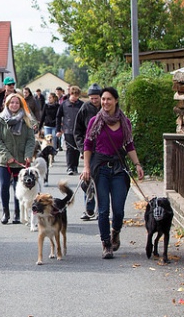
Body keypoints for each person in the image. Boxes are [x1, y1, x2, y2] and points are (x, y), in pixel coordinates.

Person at [80, 86, 144, 259]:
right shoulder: (95, 121)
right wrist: (86, 167)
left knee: (119, 210)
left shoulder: (125, 122)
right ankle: (106, 244)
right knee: (103, 210)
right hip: (100, 168)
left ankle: (115, 231)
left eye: (109, 99)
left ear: (116, 101)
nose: (105, 102)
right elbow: (87, 145)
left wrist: (137, 164)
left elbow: (129, 144)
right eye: (103, 99)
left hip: (118, 169)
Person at [0, 92, 37, 225]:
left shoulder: (26, 119)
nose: (14, 105)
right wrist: (7, 156)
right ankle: (5, 212)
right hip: (5, 160)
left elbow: (31, 139)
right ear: (7, 104)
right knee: (4, 186)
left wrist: (28, 155)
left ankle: (18, 213)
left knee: (19, 187)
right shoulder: (0, 119)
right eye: (12, 102)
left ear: (21, 104)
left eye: (17, 102)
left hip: (21, 160)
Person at [73, 83, 102, 220]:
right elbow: (77, 131)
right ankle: (88, 209)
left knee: (101, 180)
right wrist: (81, 148)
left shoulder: (107, 107)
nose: (94, 101)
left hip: (104, 150)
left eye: (96, 98)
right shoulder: (85, 108)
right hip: (88, 149)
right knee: (87, 178)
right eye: (92, 98)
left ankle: (100, 209)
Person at [56, 85, 83, 176]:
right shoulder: (64, 104)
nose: (75, 97)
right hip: (67, 130)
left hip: (79, 130)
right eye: (73, 95)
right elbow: (58, 116)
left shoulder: (81, 105)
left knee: (77, 149)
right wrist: (58, 129)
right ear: (70, 94)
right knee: (70, 149)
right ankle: (70, 167)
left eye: (77, 96)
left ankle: (75, 166)